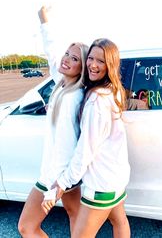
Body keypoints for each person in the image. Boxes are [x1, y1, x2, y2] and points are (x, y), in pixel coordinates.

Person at [42, 38, 131, 237]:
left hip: (100, 184)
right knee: (120, 222)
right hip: (116, 178)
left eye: (100, 61)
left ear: (110, 65)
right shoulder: (112, 92)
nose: (92, 64)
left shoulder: (96, 101)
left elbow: (86, 151)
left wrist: (63, 183)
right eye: (90, 58)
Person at [18, 6, 89, 237]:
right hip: (65, 176)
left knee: (26, 227)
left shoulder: (72, 98)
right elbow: (52, 53)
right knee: (75, 217)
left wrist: (54, 184)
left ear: (82, 68)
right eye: (68, 54)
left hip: (55, 176)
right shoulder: (63, 84)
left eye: (75, 58)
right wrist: (44, 20)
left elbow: (66, 146)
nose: (66, 59)